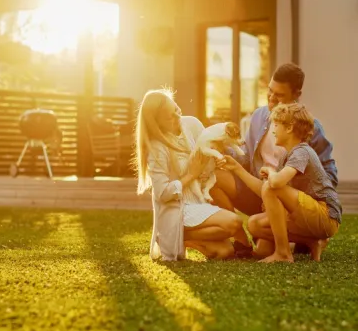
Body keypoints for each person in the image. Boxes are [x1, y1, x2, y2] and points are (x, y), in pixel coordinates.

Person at [210, 63, 338, 254]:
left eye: (279, 95)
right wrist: (224, 148)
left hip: (288, 199)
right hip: (259, 191)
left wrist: (302, 205)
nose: (271, 97)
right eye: (270, 90)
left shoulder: (310, 128)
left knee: (263, 250)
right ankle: (241, 241)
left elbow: (329, 175)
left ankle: (302, 236)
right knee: (216, 175)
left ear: (296, 95)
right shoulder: (258, 117)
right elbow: (245, 156)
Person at [134, 89, 251, 261]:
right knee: (234, 222)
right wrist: (191, 175)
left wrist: (214, 161)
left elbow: (209, 147)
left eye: (176, 109)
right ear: (157, 123)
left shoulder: (192, 124)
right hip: (177, 207)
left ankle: (182, 239)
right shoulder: (156, 148)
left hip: (199, 199)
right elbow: (162, 194)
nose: (177, 117)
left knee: (225, 252)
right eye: (170, 116)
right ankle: (170, 232)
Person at [223, 103, 342, 263]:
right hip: (306, 213)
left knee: (272, 187)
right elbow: (264, 190)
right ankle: (312, 241)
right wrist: (237, 168)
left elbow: (275, 184)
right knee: (254, 224)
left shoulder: (302, 151)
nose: (273, 131)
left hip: (326, 214)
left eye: (276, 125)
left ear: (289, 128)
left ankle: (283, 253)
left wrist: (272, 173)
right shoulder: (287, 156)